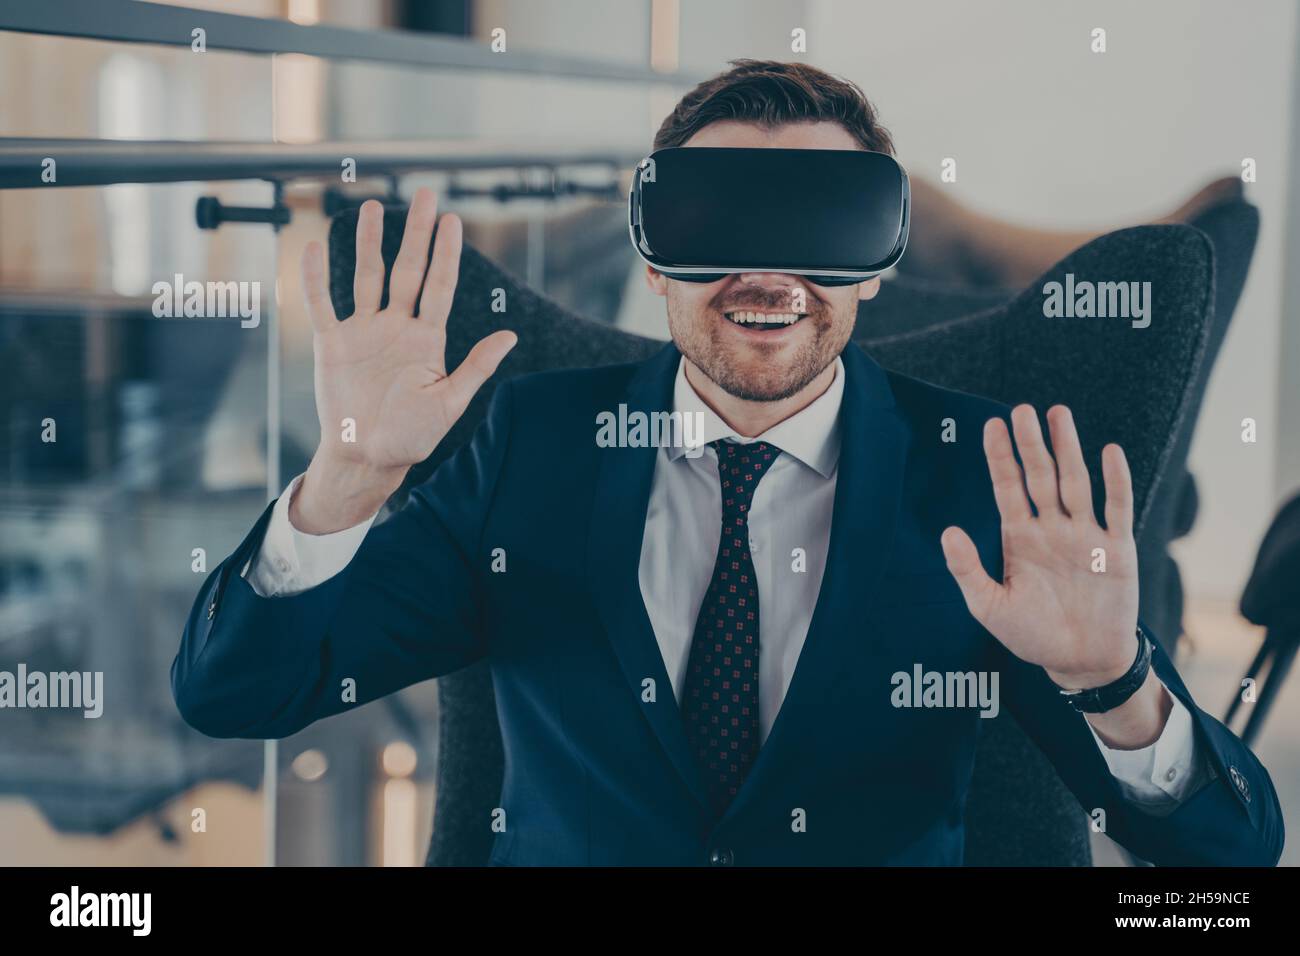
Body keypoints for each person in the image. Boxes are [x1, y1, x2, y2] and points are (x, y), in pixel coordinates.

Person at [172, 60, 1282, 866]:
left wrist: (1113, 680)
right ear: (652, 258)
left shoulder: (981, 484)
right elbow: (238, 693)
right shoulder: (529, 452)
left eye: (821, 228)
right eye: (717, 220)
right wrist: (348, 482)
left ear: (876, 269)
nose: (769, 273)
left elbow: (1224, 859)